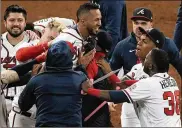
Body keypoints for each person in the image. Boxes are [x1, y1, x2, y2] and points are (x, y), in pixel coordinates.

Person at [83, 48, 181, 127]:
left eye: (147, 58)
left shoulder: (148, 84)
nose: (144, 61)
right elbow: (153, 87)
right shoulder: (172, 81)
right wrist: (130, 83)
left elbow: (115, 96)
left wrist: (89, 90)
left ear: (151, 66)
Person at [8, 20, 65, 127]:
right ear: (43, 32)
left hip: (43, 118)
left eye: (56, 41)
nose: (53, 43)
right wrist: (47, 46)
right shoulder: (27, 45)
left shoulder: (58, 55)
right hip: (21, 117)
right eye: (51, 38)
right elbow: (21, 55)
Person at [18, 41, 88, 127]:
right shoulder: (80, 78)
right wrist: (81, 67)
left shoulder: (37, 80)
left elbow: (23, 106)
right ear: (71, 58)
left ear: (48, 58)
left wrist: (32, 78)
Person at [1, 4, 39, 115]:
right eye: (12, 20)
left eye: (20, 20)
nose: (16, 24)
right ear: (5, 22)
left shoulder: (35, 43)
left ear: (25, 22)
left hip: (26, 104)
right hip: (2, 100)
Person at [51, 2, 101, 67]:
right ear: (83, 22)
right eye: (96, 20)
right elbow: (58, 73)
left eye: (100, 19)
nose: (100, 24)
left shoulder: (82, 36)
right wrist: (81, 66)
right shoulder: (68, 42)